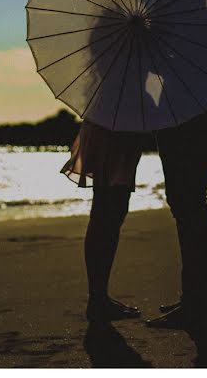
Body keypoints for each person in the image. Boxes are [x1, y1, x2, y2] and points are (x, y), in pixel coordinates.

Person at [145, 79, 207, 331]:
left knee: (188, 204)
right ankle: (201, 296)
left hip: (188, 121)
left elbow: (159, 79)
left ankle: (200, 301)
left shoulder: (186, 42)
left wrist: (154, 104)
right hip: (200, 118)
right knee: (189, 203)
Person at [61, 119, 144, 323]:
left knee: (105, 213)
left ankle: (98, 297)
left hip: (109, 131)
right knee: (108, 214)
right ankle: (98, 300)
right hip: (117, 135)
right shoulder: (124, 91)